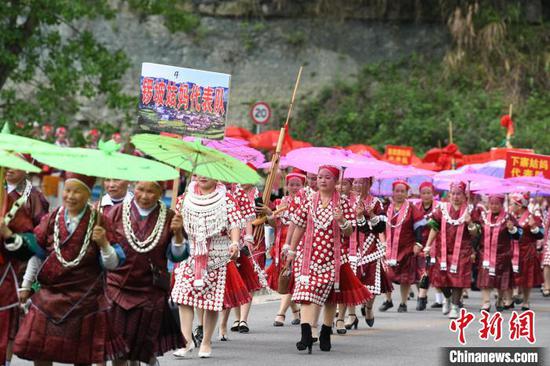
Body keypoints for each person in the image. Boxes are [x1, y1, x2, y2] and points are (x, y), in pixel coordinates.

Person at [12, 173, 127, 365]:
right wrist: (26, 285)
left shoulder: (100, 221)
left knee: (83, 356)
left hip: (86, 299)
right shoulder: (51, 218)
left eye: (77, 192)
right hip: (49, 297)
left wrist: (104, 244)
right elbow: (37, 253)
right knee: (40, 353)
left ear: (89, 194)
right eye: (67, 190)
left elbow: (113, 264)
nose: (70, 196)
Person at [286, 165, 372, 354]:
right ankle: (306, 333)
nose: (322, 180)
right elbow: (299, 226)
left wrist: (341, 220)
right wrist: (291, 250)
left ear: (335, 181)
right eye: (319, 177)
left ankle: (325, 330)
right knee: (306, 295)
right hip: (307, 256)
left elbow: (349, 232)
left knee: (330, 297)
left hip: (333, 258)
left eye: (327, 177)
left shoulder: (342, 204)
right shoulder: (308, 201)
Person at [105, 181, 188, 365]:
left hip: (150, 289)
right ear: (134, 188)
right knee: (118, 350)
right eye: (140, 189)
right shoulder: (115, 213)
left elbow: (177, 257)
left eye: (151, 191)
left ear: (161, 193)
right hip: (117, 287)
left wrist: (178, 235)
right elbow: (106, 252)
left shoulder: (169, 217)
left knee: (144, 346)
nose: (144, 195)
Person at [171, 176, 250, 358]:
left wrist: (235, 243)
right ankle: (186, 341)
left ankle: (206, 342)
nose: (202, 177)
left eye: (206, 173)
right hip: (190, 252)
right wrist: (175, 224)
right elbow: (177, 224)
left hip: (217, 253)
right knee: (183, 297)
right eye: (198, 174)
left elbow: (235, 223)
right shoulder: (185, 198)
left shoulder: (226, 198)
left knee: (212, 302)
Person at [0, 165, 49, 366]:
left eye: (16, 165)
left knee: (6, 327)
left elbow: (38, 243)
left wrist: (9, 235)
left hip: (11, 271)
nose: (9, 169)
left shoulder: (33, 197)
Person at [343, 177, 392, 329]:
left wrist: (370, 215)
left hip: (370, 248)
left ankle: (369, 308)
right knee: (349, 283)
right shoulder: (344, 202)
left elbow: (381, 228)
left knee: (371, 284)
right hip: (349, 247)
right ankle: (351, 315)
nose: (358, 185)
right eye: (355, 182)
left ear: (369, 184)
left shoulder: (376, 203)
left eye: (362, 182)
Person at [425, 181, 475, 319]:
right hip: (443, 250)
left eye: (459, 194)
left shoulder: (470, 210)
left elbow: (476, 233)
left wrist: (469, 222)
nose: (455, 196)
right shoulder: (441, 209)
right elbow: (434, 227)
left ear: (464, 195)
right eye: (453, 193)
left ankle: (454, 307)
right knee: (441, 280)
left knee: (458, 280)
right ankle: (447, 298)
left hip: (462, 252)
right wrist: (428, 245)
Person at [263, 169, 305, 327]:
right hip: (281, 243)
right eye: (291, 185)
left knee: (291, 276)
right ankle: (296, 312)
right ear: (286, 186)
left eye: (298, 185)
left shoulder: (306, 201)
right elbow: (275, 224)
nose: (294, 187)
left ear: (303, 185)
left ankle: (280, 313)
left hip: (298, 242)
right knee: (284, 277)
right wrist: (271, 216)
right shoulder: (282, 201)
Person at [379, 180, 421, 313]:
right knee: (386, 275)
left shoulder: (412, 209)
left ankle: (403, 302)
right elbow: (380, 227)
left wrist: (418, 244)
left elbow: (419, 228)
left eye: (402, 191)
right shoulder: (386, 208)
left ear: (407, 193)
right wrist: (382, 242)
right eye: (397, 191)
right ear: (393, 192)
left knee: (405, 278)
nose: (399, 194)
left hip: (407, 248)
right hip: (389, 248)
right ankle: (388, 300)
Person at [473, 195, 519, 311]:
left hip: (503, 254)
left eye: (497, 204)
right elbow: (477, 235)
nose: (494, 206)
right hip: (485, 254)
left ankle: (500, 299)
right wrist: (473, 250)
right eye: (492, 203)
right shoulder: (482, 217)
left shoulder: (508, 218)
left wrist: (512, 229)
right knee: (485, 278)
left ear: (502, 204)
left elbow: (518, 235)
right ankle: (486, 302)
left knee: (501, 279)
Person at [509, 193, 544, 310]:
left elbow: (541, 234)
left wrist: (534, 227)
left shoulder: (532, 217)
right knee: (511, 273)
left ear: (519, 206)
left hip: (527, 250)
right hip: (512, 249)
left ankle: (526, 300)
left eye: (512, 204)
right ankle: (511, 297)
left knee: (527, 276)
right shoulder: (510, 217)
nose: (510, 206)